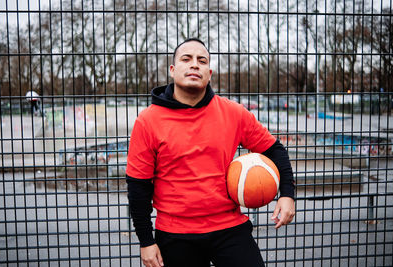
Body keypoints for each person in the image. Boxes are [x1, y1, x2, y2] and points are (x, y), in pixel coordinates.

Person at [126, 38, 295, 267]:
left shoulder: (233, 113)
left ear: (210, 73)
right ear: (173, 70)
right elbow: (138, 185)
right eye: (186, 59)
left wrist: (287, 194)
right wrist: (146, 241)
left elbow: (274, 149)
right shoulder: (148, 121)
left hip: (229, 227)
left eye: (201, 60)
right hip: (176, 233)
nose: (194, 64)